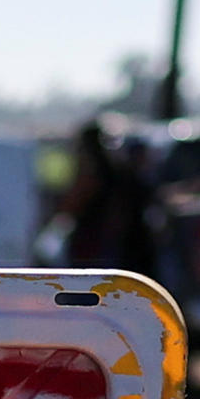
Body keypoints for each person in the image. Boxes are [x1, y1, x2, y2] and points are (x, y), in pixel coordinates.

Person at [62, 115, 160, 287]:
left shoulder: (98, 173)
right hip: (109, 246)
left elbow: (74, 205)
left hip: (100, 246)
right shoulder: (117, 170)